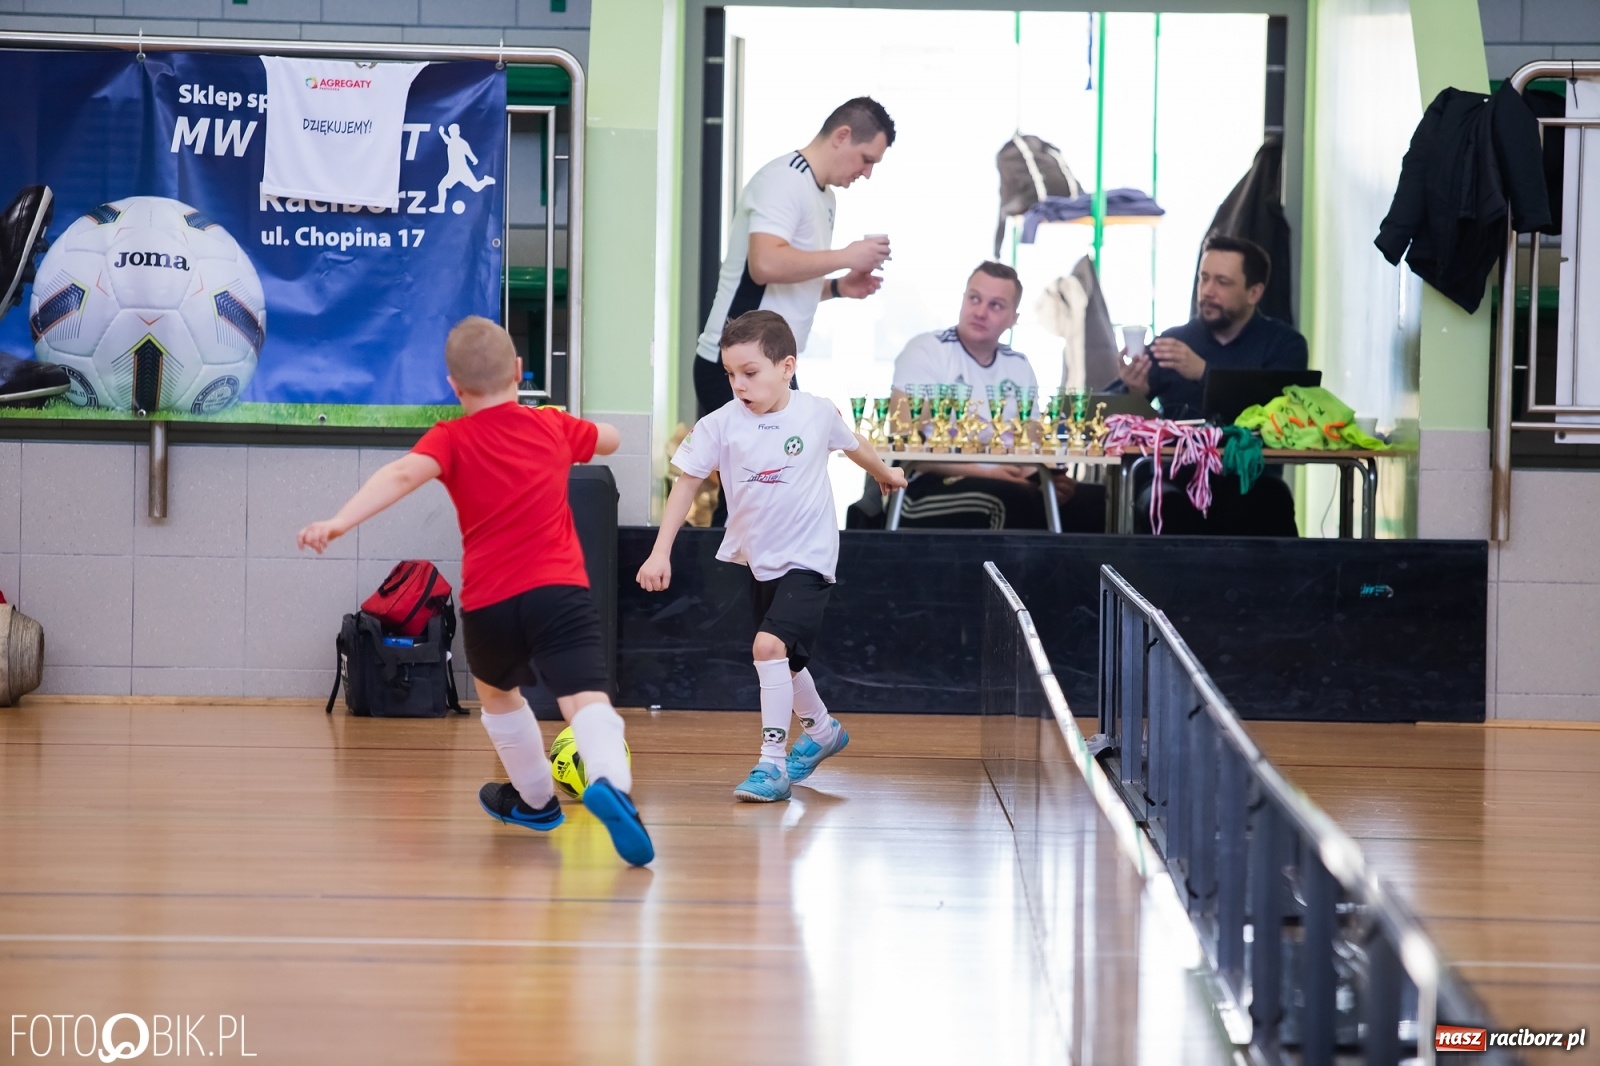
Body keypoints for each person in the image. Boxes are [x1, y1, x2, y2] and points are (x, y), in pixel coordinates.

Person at [296, 317, 653, 866]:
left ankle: (535, 801)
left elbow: (400, 475)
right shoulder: (550, 428)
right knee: (584, 698)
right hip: (558, 590)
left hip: (491, 601)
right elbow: (612, 439)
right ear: (518, 371)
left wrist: (339, 522)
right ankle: (609, 782)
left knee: (498, 696)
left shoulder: (451, 436)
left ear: (454, 387)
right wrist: (562, 422)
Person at [639, 310, 906, 802]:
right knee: (786, 662)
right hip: (760, 560)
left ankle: (772, 766)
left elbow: (854, 446)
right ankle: (824, 733)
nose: (738, 384)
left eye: (750, 372)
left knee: (766, 647)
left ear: (787, 366)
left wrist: (886, 472)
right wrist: (661, 552)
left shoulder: (816, 412)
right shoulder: (719, 424)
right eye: (730, 374)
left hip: (810, 560)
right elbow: (687, 484)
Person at [693, 96, 897, 419]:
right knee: (772, 468)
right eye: (866, 159)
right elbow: (765, 265)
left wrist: (840, 287)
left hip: (773, 363)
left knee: (792, 465)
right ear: (842, 136)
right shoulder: (785, 179)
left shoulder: (826, 199)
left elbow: (788, 280)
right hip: (737, 364)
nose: (867, 173)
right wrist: (847, 255)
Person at [886, 261, 1103, 531]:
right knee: (1013, 501)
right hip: (921, 485)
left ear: (1013, 318)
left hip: (1007, 479)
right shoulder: (927, 351)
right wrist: (987, 472)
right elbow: (903, 440)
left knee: (1095, 502)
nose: (980, 312)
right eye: (974, 299)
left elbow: (1030, 444)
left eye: (996, 305)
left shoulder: (1019, 365)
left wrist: (1047, 478)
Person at [1115, 234, 1306, 535]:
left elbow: (1280, 410)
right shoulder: (1174, 342)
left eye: (1222, 282)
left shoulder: (1284, 345)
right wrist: (1135, 390)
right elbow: (1116, 408)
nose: (1207, 291)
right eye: (1204, 279)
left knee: (1272, 500)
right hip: (1175, 474)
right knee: (1161, 505)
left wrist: (1205, 373)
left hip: (1247, 474)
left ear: (1254, 292)